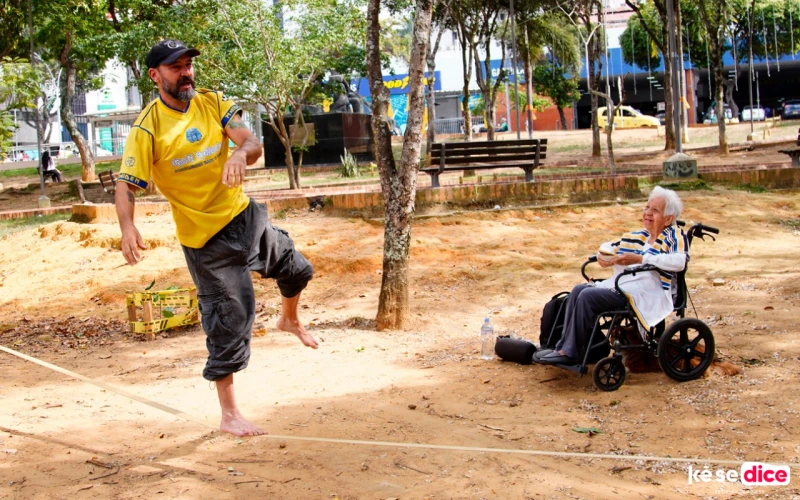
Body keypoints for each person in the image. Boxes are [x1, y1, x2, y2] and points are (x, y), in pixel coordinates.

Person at [115, 39, 318, 437]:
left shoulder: (214, 102)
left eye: (189, 65)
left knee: (298, 269)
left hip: (244, 217)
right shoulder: (146, 128)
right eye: (176, 67)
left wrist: (241, 154)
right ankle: (229, 414)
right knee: (231, 318)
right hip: (205, 240)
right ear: (156, 76)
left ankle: (287, 320)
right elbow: (125, 185)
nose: (186, 72)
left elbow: (251, 141)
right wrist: (127, 227)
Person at [535, 186, 688, 365]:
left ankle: (571, 352)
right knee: (578, 290)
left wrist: (641, 258)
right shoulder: (639, 236)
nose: (647, 213)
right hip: (627, 286)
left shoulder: (673, 235)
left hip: (649, 293)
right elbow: (609, 246)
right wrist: (604, 257)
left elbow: (679, 261)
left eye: (655, 210)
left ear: (669, 218)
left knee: (587, 296)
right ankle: (562, 347)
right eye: (647, 207)